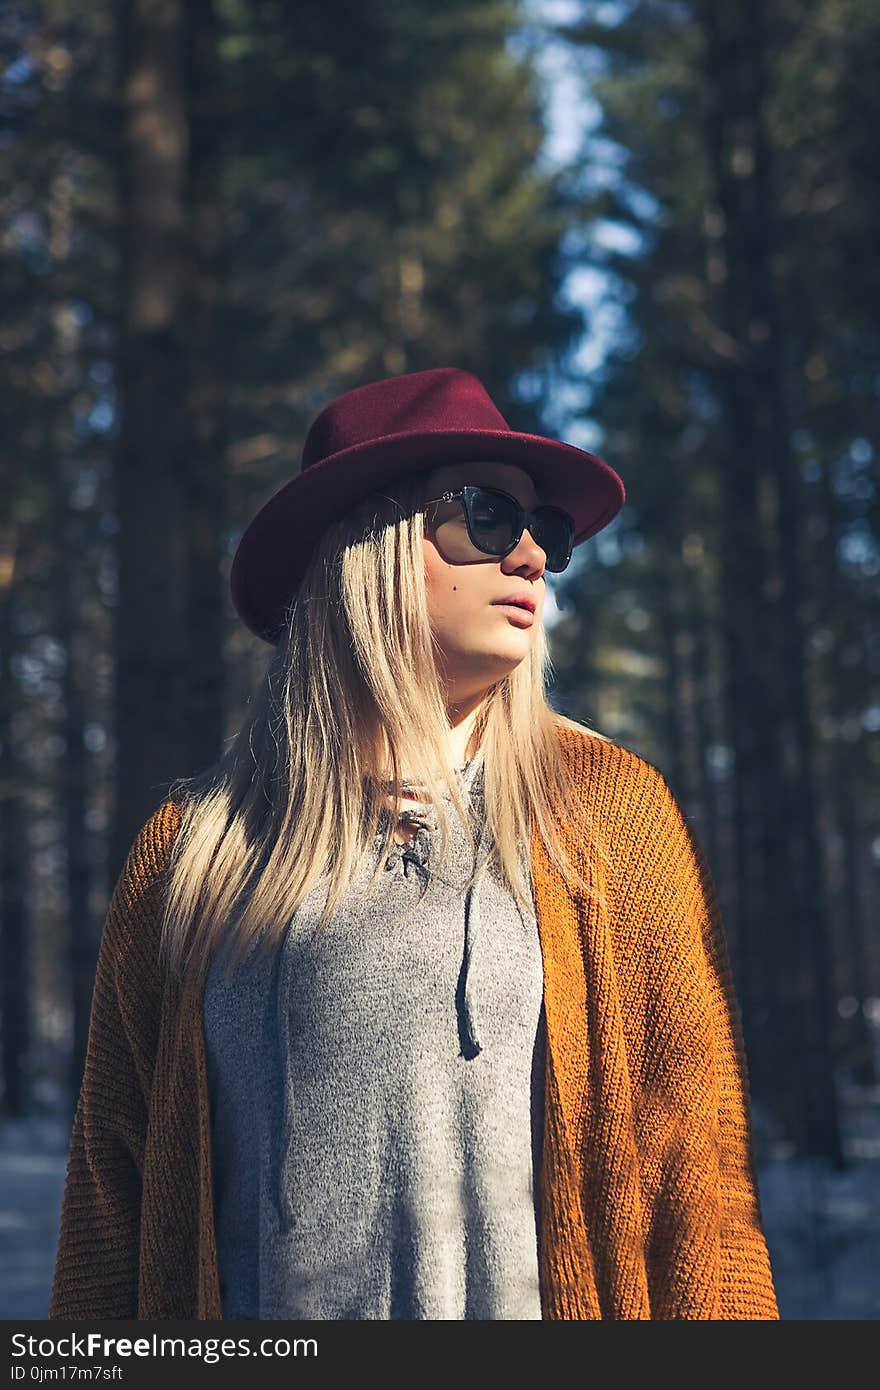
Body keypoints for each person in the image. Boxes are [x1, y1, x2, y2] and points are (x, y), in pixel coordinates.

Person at [49, 366, 779, 1320]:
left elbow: (699, 1183)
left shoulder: (605, 815)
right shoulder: (195, 853)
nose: (530, 558)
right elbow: (112, 1207)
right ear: (371, 542)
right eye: (485, 515)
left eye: (544, 533)